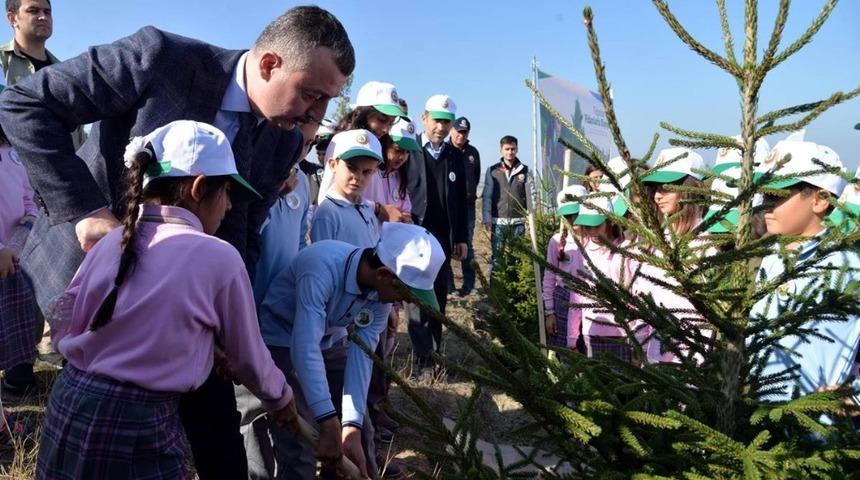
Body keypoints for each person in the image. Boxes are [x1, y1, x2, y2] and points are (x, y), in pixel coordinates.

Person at [0, 6, 354, 478]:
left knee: (216, 432)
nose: (317, 114)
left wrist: (228, 325)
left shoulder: (282, 142)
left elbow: (245, 232)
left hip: (191, 309)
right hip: (100, 291)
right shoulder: (160, 58)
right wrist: (88, 212)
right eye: (311, 94)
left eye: (328, 100)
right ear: (270, 64)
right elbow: (24, 104)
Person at [36, 121, 298, 479]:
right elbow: (248, 356)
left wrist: (204, 350)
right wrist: (281, 398)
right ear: (199, 187)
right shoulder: (218, 256)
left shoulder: (113, 242)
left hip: (70, 401)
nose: (229, 206)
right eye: (226, 191)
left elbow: (72, 318)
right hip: (135, 422)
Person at [259, 222, 445, 478]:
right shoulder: (321, 267)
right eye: (404, 293)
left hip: (329, 339)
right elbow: (304, 348)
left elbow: (361, 358)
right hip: (282, 338)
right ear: (384, 275)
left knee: (359, 433)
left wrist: (351, 426)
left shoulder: (379, 297)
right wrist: (327, 419)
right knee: (300, 438)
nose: (404, 301)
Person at [750, 140, 860, 402]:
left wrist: (854, 397)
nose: (767, 205)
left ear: (820, 200)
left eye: (778, 195)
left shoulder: (848, 264)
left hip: (818, 423)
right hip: (757, 416)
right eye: (765, 195)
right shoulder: (770, 256)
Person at [404, 94, 468, 378]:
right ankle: (423, 358)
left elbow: (462, 201)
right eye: (436, 120)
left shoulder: (455, 157)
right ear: (424, 118)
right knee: (415, 296)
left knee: (438, 295)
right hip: (413, 234)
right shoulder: (410, 150)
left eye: (446, 122)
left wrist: (461, 237)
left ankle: (435, 350)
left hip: (442, 238)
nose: (441, 127)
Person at [0, 118, 39, 394]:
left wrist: (30, 217)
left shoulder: (13, 152)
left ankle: (20, 375)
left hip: (16, 250)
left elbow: (28, 196)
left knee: (21, 312)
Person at [542, 184, 586, 348]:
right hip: (563, 300)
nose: (572, 219)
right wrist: (549, 312)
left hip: (589, 300)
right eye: (567, 216)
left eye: (576, 214)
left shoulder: (596, 241)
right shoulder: (556, 241)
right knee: (566, 351)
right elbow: (549, 277)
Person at [482, 135, 533, 271]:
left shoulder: (525, 171)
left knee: (517, 258)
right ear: (501, 150)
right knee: (497, 259)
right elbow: (487, 196)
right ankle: (495, 284)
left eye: (513, 149)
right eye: (507, 149)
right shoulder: (493, 171)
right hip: (498, 222)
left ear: (517, 149)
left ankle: (515, 284)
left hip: (519, 222)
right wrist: (487, 218)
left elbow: (531, 196)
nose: (510, 152)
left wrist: (530, 218)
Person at [448, 116, 480, 296]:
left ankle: (469, 284)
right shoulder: (445, 150)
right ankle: (449, 286)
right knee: (446, 242)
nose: (461, 135)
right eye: (458, 132)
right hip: (448, 204)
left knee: (467, 244)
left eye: (464, 132)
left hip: (467, 206)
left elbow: (476, 176)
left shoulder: (473, 153)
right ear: (452, 131)